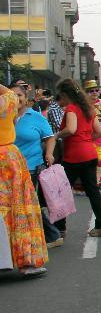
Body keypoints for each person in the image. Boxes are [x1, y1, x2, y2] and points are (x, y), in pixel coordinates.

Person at [0, 82, 49, 276]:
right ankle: (26, 259)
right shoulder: (9, 100)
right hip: (10, 159)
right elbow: (7, 92)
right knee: (20, 206)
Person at [53, 79, 101, 238]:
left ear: (65, 95)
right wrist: (86, 139)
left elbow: (71, 129)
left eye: (60, 96)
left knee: (61, 191)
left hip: (74, 156)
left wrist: (57, 135)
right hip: (90, 153)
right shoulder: (88, 109)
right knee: (93, 191)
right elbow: (99, 132)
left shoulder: (71, 108)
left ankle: (60, 228)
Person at [12, 83, 62, 247]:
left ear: (26, 98)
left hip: (31, 167)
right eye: (11, 95)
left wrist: (48, 153)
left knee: (28, 203)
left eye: (19, 95)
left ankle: (50, 235)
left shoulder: (35, 117)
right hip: (8, 169)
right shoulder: (4, 116)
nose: (15, 99)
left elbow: (50, 137)